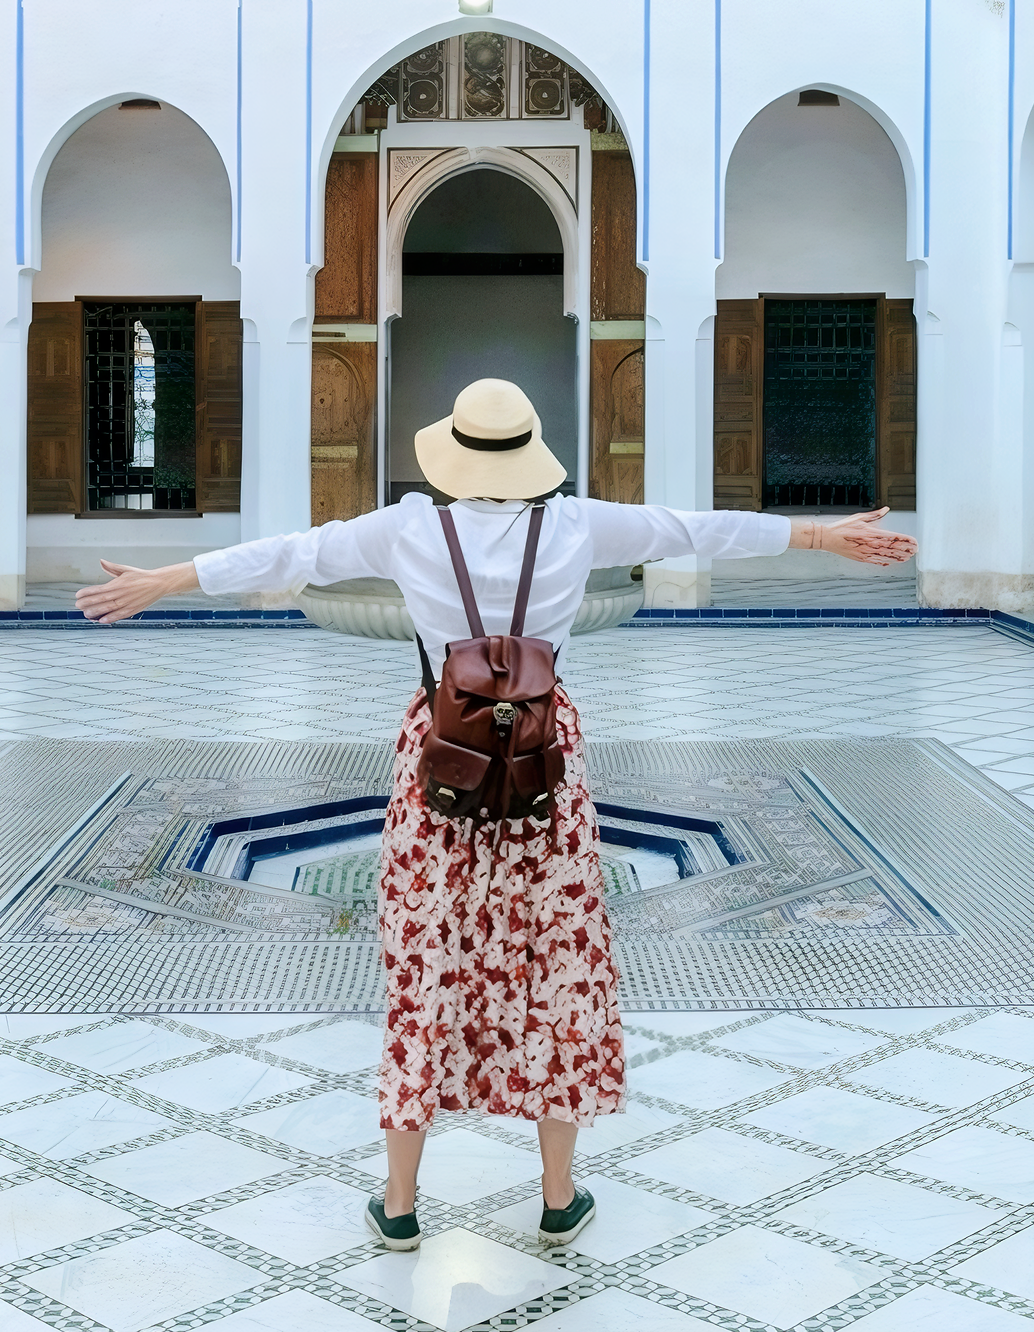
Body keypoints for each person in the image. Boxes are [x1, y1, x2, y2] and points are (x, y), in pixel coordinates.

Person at [77, 376, 917, 1251]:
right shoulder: (580, 524)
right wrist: (824, 533)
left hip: (440, 762)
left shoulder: (407, 528)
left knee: (425, 969)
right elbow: (694, 529)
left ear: (451, 453)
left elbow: (295, 554)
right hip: (545, 769)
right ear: (530, 453)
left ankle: (399, 1203)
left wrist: (167, 578)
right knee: (556, 967)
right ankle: (558, 1196)